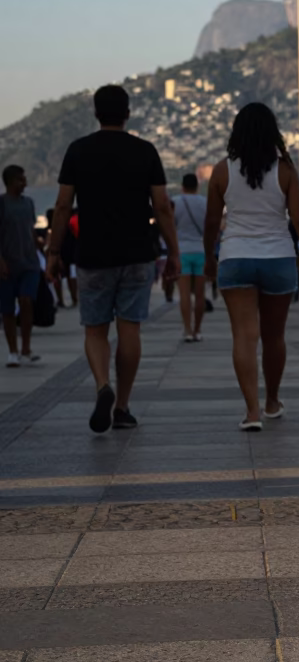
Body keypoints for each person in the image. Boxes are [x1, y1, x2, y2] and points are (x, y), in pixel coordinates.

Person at [47, 85, 179, 432]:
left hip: (92, 255)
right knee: (130, 328)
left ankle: (102, 385)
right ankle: (122, 406)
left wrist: (54, 251)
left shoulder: (78, 151)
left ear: (95, 113)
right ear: (128, 113)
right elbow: (162, 206)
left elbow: (62, 206)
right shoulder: (145, 151)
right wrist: (174, 251)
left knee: (95, 329)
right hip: (138, 253)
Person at [204, 103, 299, 431]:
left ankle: (252, 411)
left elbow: (213, 222)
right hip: (277, 259)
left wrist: (207, 258)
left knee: (244, 337)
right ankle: (272, 400)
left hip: (236, 258)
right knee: (274, 337)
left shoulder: (221, 171)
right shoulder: (285, 170)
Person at [1, 165, 41, 367]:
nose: (24, 183)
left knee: (27, 302)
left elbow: (31, 231)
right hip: (8, 264)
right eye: (20, 179)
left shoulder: (29, 203)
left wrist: (44, 254)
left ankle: (26, 347)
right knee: (7, 310)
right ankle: (13, 351)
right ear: (9, 182)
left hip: (29, 263)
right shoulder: (2, 204)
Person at [173, 173, 209, 342]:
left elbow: (170, 225)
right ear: (197, 186)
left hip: (182, 252)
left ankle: (187, 330)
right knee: (200, 294)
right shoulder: (205, 202)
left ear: (182, 186)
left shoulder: (176, 202)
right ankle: (198, 330)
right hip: (201, 251)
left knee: (185, 294)